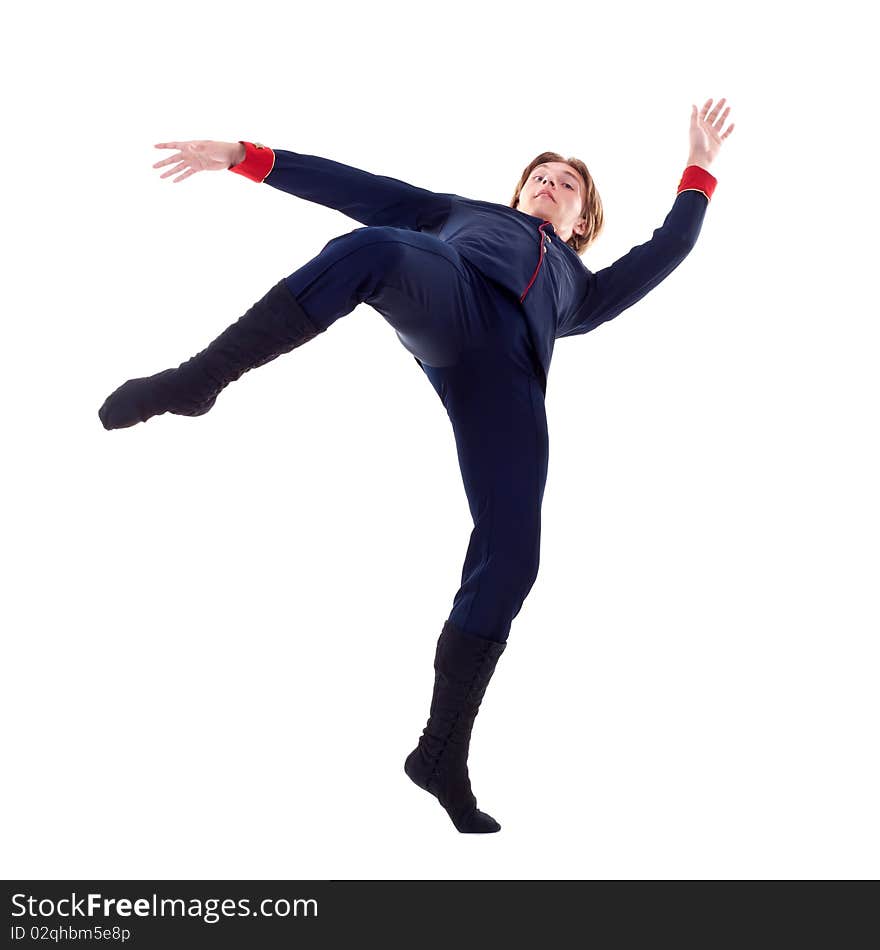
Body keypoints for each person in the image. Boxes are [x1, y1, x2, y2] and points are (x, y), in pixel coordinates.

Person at [98, 98, 735, 833]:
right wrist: (243, 154)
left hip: (509, 382)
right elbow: (355, 186)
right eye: (541, 177)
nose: (552, 184)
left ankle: (440, 753)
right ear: (518, 192)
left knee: (513, 558)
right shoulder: (457, 213)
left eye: (569, 186)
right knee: (376, 244)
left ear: (582, 222)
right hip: (451, 294)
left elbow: (671, 247)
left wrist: (700, 165)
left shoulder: (584, 291)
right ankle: (198, 379)